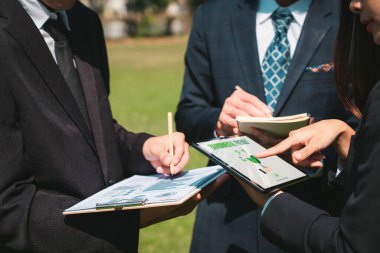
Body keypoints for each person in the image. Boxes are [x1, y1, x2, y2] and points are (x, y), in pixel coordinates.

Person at [0, 0, 229, 252]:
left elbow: (89, 131)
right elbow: (9, 207)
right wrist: (128, 220)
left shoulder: (85, 21)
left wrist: (144, 148)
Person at [175, 0, 356, 252]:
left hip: (316, 217)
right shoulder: (212, 15)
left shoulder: (348, 14)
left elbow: (361, 122)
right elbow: (188, 113)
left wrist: (324, 155)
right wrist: (219, 121)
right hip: (227, 220)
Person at [235, 0, 380, 252]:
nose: (354, 5)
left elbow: (354, 245)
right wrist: (347, 139)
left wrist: (270, 199)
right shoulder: (213, 15)